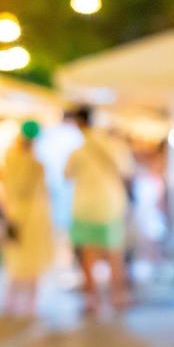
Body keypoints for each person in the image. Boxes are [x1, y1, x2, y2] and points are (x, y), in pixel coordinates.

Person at [64, 107, 131, 315]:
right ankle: (117, 296)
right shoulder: (115, 146)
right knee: (114, 254)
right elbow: (127, 171)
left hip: (85, 207)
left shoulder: (79, 151)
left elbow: (67, 174)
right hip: (111, 206)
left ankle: (92, 300)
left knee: (88, 256)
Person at [0, 120, 55, 317]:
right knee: (33, 259)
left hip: (15, 213)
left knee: (16, 258)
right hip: (34, 216)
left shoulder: (11, 160)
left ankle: (11, 301)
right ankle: (30, 303)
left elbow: (8, 189)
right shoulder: (36, 164)